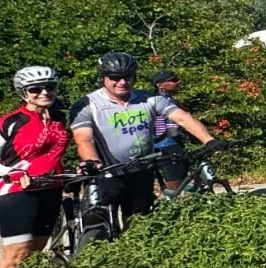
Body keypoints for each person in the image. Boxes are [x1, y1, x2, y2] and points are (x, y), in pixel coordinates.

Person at [71, 53, 224, 222]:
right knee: (102, 224)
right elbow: (84, 138)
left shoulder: (149, 99)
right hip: (107, 173)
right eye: (115, 77)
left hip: (142, 171)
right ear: (103, 78)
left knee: (137, 223)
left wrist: (208, 139)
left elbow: (182, 118)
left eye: (128, 77)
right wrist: (91, 160)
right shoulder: (87, 104)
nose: (122, 82)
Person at [0, 66, 68, 268]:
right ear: (24, 93)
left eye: (50, 87)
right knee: (16, 255)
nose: (44, 92)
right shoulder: (9, 123)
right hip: (17, 191)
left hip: (50, 189)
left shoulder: (59, 118)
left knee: (35, 253)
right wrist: (11, 172)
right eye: (35, 89)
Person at [149, 70, 190, 196]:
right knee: (176, 188)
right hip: (167, 146)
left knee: (183, 183)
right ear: (160, 85)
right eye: (173, 80)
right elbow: (170, 127)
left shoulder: (168, 100)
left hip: (170, 145)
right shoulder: (160, 101)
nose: (178, 82)